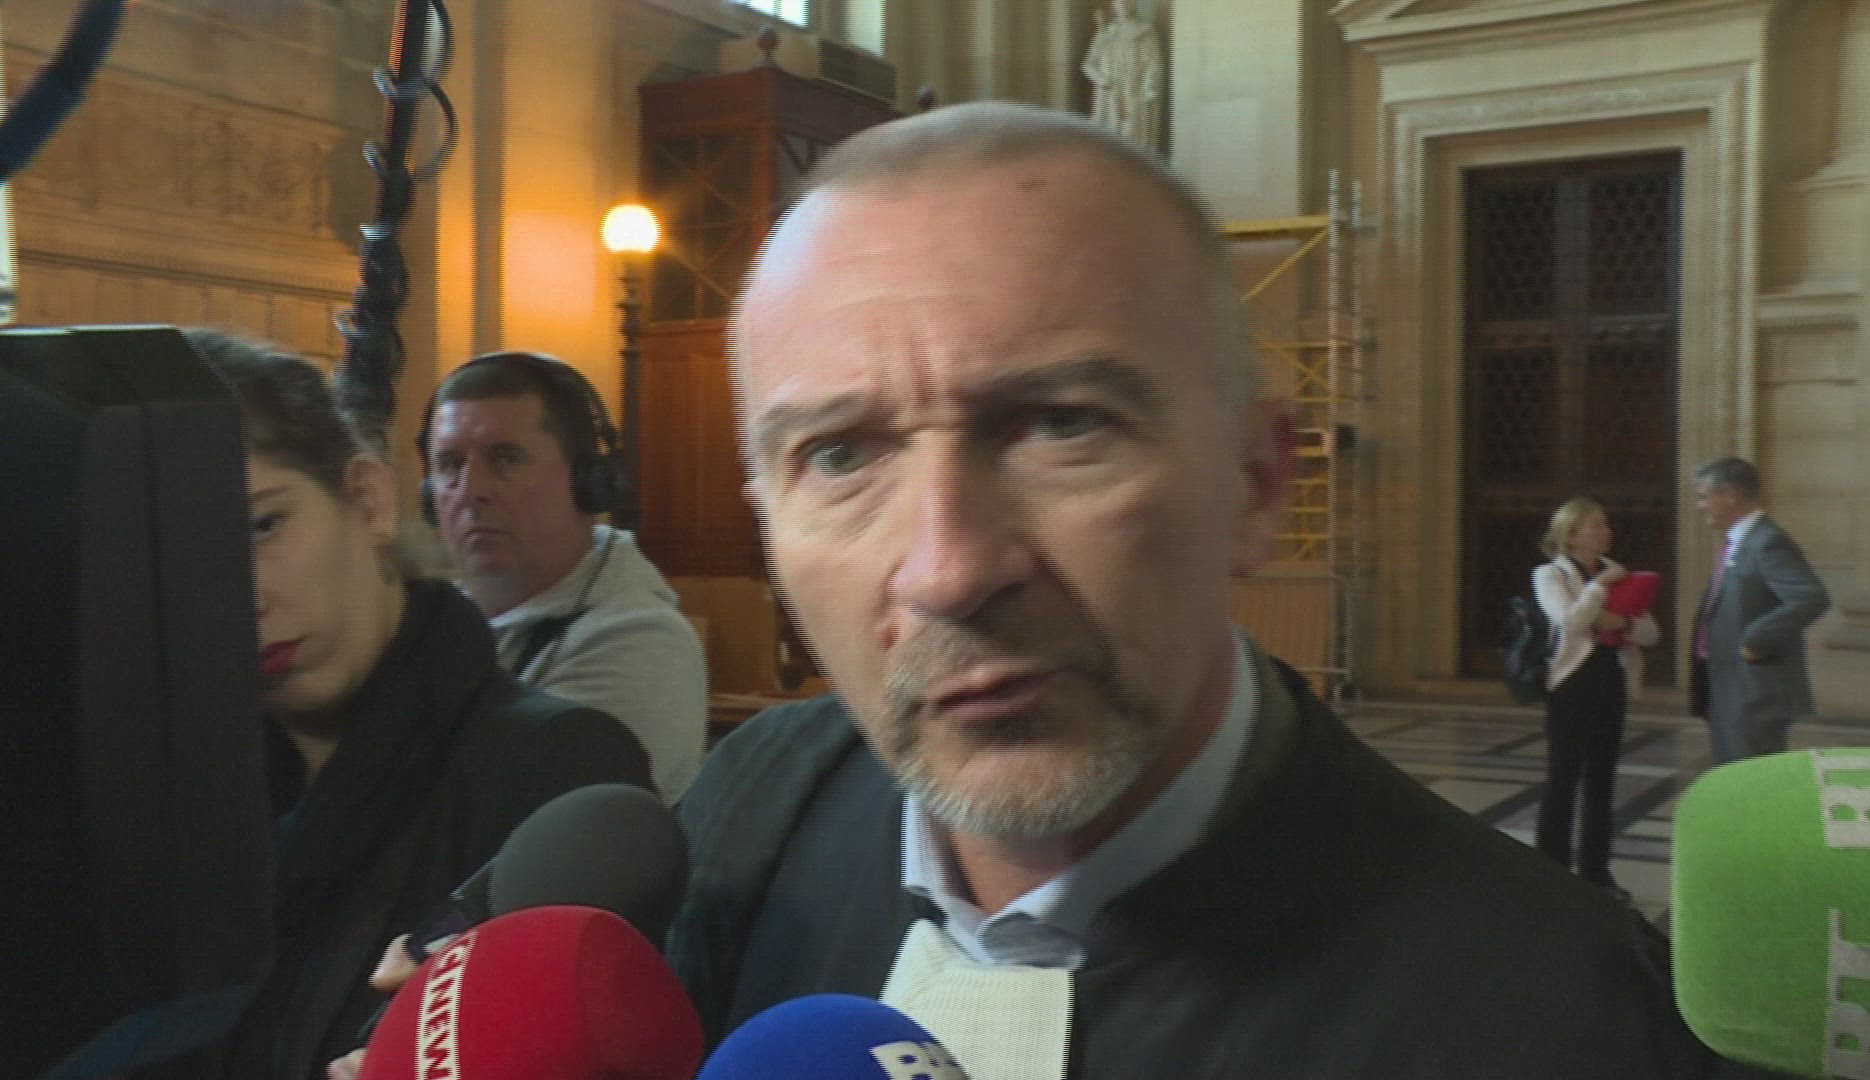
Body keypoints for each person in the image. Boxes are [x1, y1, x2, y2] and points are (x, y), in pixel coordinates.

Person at [665, 103, 1722, 1076]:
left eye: (1062, 426)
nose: (948, 571)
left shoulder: (1566, 1024)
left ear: (1256, 482)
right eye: (840, 456)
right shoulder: (749, 816)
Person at [186, 331, 653, 1080]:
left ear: (367, 499)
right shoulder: (177, 785)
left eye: (262, 525)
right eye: (187, 559)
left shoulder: (556, 767)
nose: (242, 596)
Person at [421, 352, 708, 802]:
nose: (471, 491)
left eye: (505, 459)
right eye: (449, 465)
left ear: (588, 483)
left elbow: (493, 821)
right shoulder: (431, 623)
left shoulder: (640, 641)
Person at [1532, 497, 1659, 896]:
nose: (1607, 531)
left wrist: (1621, 623)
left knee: (1602, 780)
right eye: (1596, 525)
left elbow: (1651, 632)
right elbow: (1570, 622)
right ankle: (1551, 871)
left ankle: (1596, 872)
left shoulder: (1620, 574)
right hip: (1571, 684)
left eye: (1606, 524)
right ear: (1571, 536)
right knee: (1563, 777)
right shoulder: (1550, 574)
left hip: (1610, 680)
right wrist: (1600, 589)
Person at [1690, 457, 1830, 764]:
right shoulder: (1740, 542)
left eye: (1704, 497)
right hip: (1729, 685)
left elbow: (1810, 597)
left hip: (1754, 690)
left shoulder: (1767, 542)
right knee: (1730, 775)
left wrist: (1756, 639)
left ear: (1731, 495)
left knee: (1749, 778)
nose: (1700, 506)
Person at [1080, 0, 1162, 154]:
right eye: (1119, 2)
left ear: (1133, 4)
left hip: (1133, 90)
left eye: (1127, 2)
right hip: (1109, 92)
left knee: (1132, 135)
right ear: (1114, 5)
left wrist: (1149, 88)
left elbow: (1152, 64)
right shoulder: (1105, 33)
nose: (1123, 5)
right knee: (1108, 136)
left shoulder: (1144, 31)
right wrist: (1102, 79)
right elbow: (1088, 64)